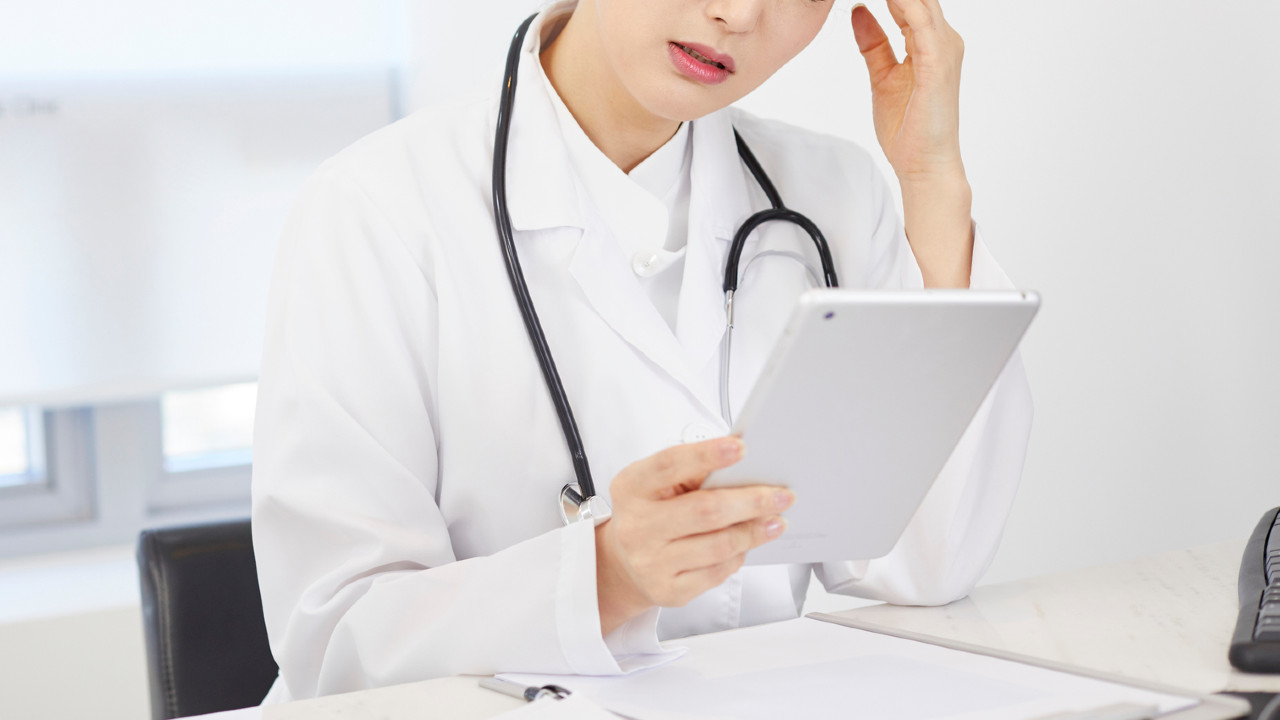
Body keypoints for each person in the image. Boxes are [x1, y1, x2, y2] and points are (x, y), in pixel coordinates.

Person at [251, 0, 1032, 703]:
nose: (739, 13)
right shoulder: (375, 209)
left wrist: (933, 182)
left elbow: (927, 562)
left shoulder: (833, 193)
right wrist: (603, 578)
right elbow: (336, 645)